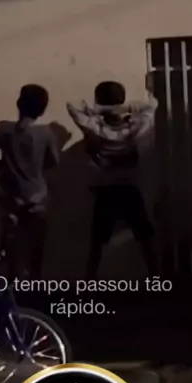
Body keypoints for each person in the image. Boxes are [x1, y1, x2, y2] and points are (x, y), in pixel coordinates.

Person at [67, 81, 157, 278]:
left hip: (106, 190)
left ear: (98, 100)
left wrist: (100, 109)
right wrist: (120, 107)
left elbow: (72, 106)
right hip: (129, 189)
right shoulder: (136, 127)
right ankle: (156, 281)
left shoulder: (94, 128)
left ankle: (89, 284)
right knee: (146, 239)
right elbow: (151, 106)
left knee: (97, 243)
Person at [0, 85, 59, 279]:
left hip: (11, 199)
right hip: (37, 198)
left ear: (19, 103)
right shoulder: (46, 133)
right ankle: (33, 291)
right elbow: (53, 162)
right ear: (42, 110)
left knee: (10, 253)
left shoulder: (3, 128)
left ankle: (12, 290)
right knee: (36, 254)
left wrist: (6, 167)